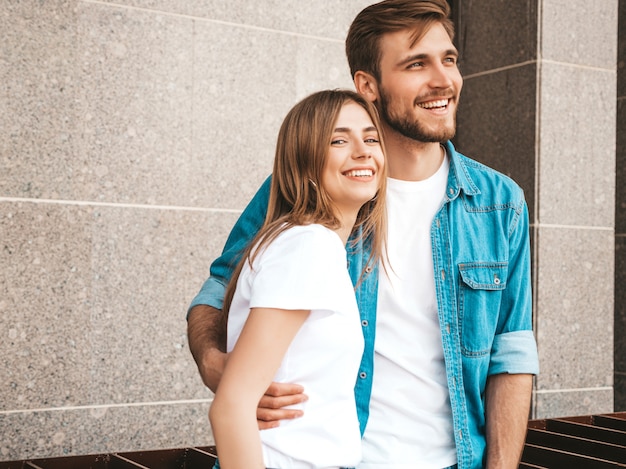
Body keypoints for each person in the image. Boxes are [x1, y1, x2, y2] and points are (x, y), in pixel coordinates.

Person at [188, 1, 540, 468]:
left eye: (449, 59)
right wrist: (218, 366)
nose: (443, 80)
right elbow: (220, 290)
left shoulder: (500, 202)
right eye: (416, 63)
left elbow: (511, 356)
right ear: (367, 85)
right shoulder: (309, 193)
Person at [208, 89, 387, 469]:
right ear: (304, 160)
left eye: (371, 138)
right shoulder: (308, 246)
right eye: (339, 140)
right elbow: (231, 407)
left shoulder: (309, 244)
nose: (362, 150)